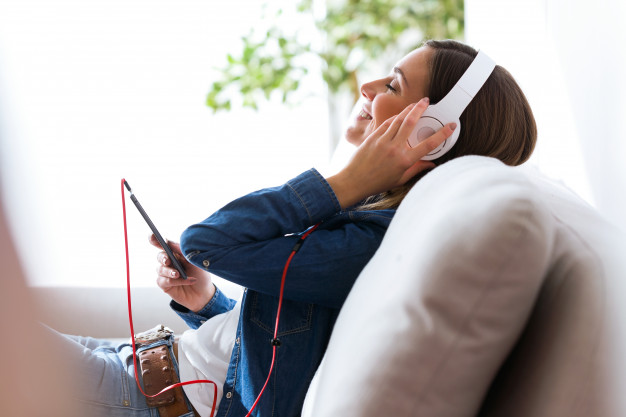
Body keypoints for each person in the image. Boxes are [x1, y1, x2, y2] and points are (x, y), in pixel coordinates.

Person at [47, 39, 537, 416]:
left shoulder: (374, 246)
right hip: (145, 365)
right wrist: (208, 303)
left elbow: (206, 241)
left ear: (430, 136)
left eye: (391, 85)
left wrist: (345, 180)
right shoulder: (373, 230)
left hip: (147, 400)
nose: (366, 88)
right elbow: (284, 342)